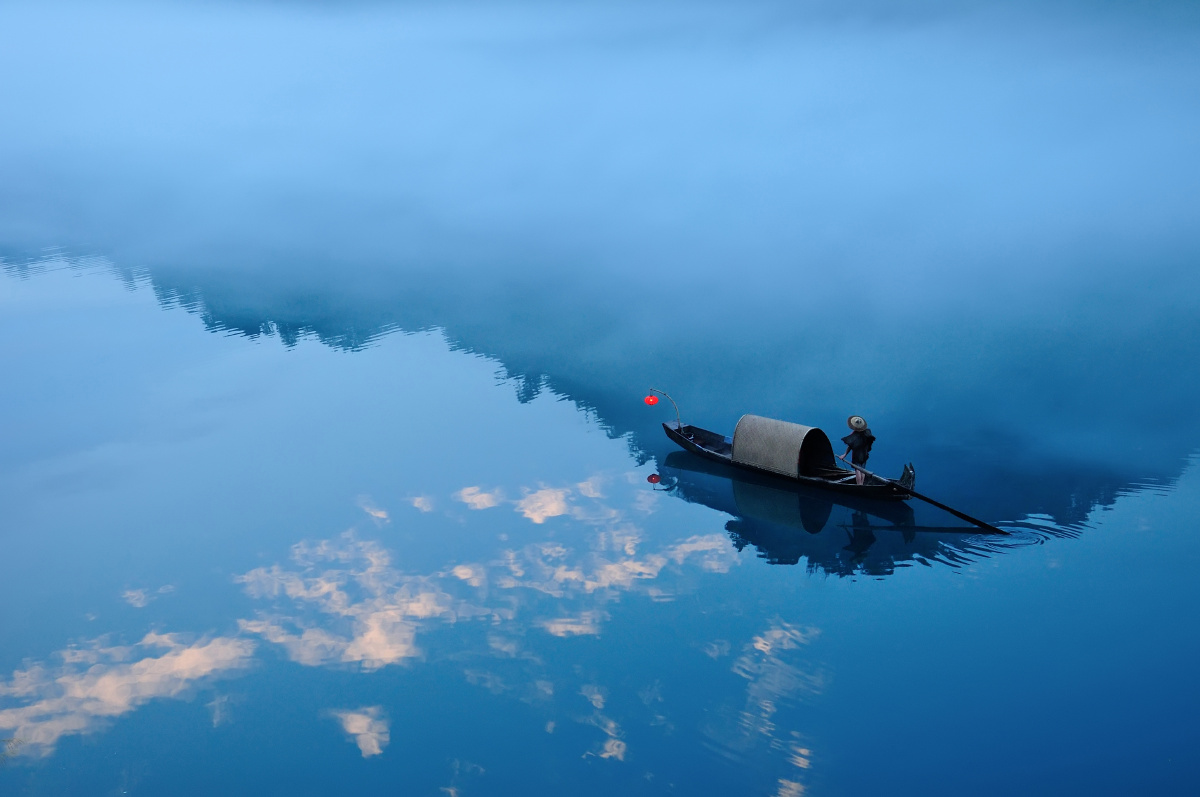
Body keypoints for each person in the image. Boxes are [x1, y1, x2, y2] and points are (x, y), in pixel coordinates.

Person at [839, 415, 875, 485]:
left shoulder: (854, 435)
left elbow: (850, 446)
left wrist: (844, 455)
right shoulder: (867, 432)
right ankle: (862, 484)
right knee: (863, 469)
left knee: (858, 470)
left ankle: (859, 485)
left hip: (857, 454)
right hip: (864, 454)